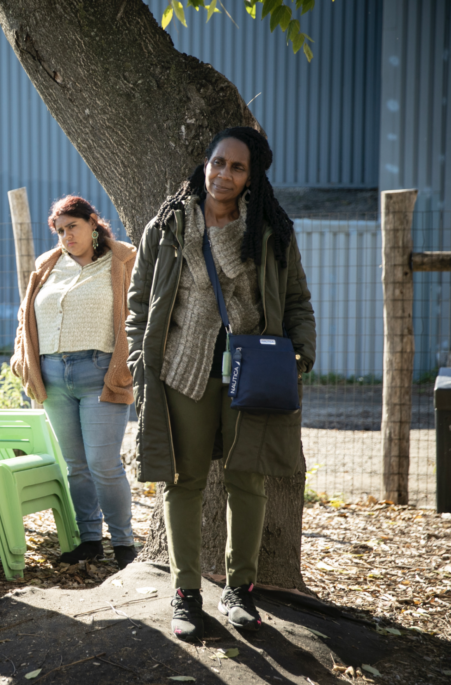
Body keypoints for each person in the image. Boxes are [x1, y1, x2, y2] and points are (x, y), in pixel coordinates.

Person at [126, 127, 316, 641]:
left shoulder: (271, 231)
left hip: (251, 373)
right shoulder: (167, 227)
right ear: (203, 165)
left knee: (246, 479)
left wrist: (299, 356)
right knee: (184, 480)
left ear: (252, 177)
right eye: (217, 163)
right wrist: (141, 355)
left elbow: (297, 300)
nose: (223, 174)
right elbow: (138, 302)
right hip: (181, 372)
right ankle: (186, 593)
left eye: (237, 167)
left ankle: (241, 590)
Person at [10, 195, 139, 570]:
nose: (67, 236)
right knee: (76, 465)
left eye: (74, 227)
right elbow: (25, 317)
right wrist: (23, 360)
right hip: (53, 375)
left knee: (103, 463)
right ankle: (89, 541)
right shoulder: (47, 265)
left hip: (100, 373)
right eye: (61, 230)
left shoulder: (122, 259)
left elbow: (137, 314)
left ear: (93, 222)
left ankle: (125, 545)